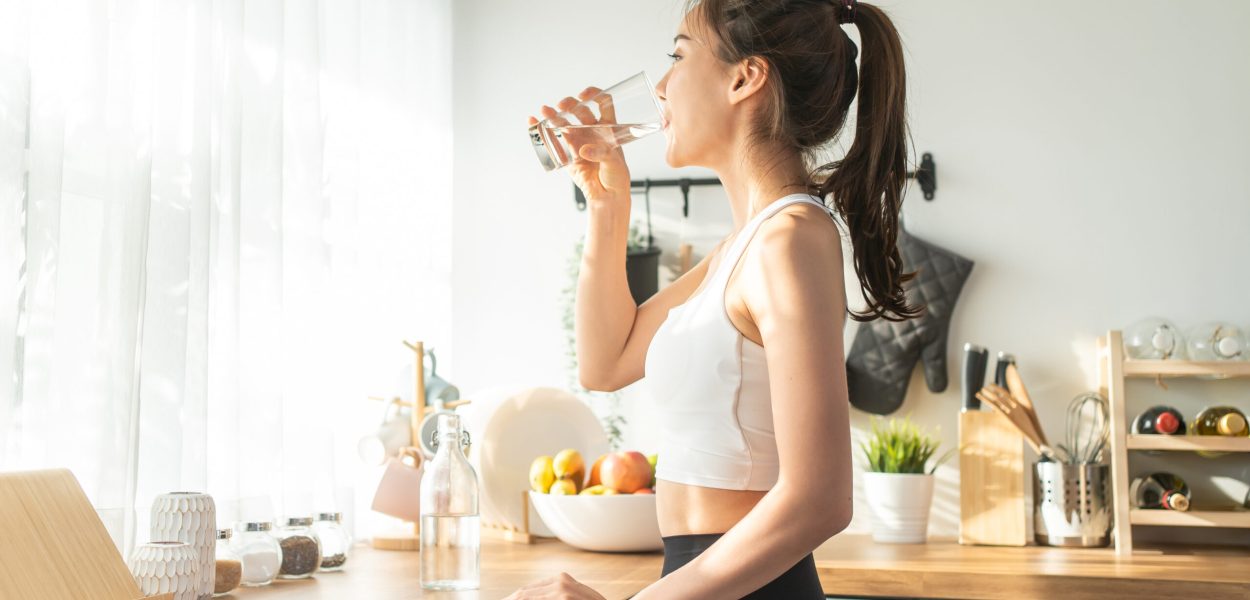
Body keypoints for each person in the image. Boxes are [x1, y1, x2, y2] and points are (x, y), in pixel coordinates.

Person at [512, 0, 919, 597]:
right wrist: (607, 204)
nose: (661, 86)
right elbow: (604, 364)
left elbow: (821, 500)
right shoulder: (741, 248)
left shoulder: (790, 239)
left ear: (744, 77)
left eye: (677, 56)